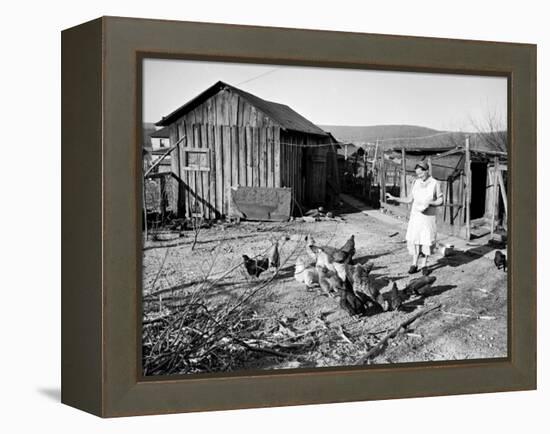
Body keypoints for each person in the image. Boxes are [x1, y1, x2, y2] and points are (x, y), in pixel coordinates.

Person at [386, 160, 443, 275]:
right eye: (418, 174)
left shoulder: (435, 183)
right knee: (415, 239)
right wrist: (394, 198)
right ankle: (414, 264)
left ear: (427, 171)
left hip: (428, 216)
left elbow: (441, 200)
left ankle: (424, 265)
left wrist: (431, 203)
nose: (419, 176)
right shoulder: (416, 183)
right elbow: (409, 199)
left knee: (426, 240)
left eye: (421, 174)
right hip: (416, 216)